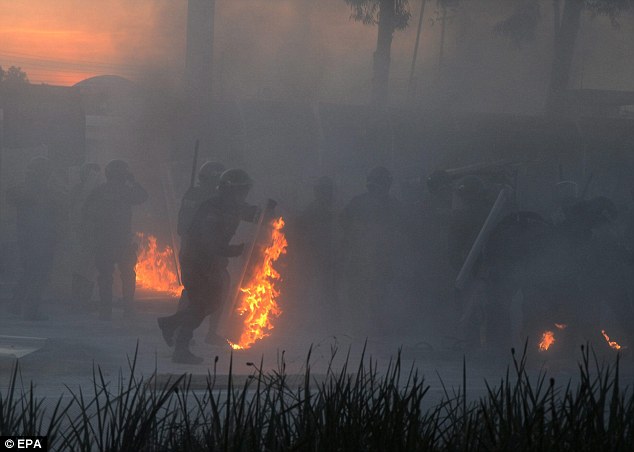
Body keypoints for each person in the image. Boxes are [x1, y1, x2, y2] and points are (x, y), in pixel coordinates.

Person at [158, 168, 259, 364]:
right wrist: (234, 250)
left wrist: (272, 214)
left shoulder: (233, 206)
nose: (244, 195)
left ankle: (170, 323)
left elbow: (254, 214)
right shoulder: (212, 208)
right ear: (230, 190)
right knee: (200, 304)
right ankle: (180, 348)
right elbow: (208, 241)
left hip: (211, 262)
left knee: (211, 303)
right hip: (196, 260)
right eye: (241, 191)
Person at [339, 166, 405, 335]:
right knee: (362, 296)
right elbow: (344, 227)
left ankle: (372, 330)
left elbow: (401, 234)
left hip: (380, 260)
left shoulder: (392, 206)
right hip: (362, 259)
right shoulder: (359, 203)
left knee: (377, 297)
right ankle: (364, 330)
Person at [82, 159, 148, 320]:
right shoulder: (125, 191)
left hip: (103, 241)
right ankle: (128, 309)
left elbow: (86, 211)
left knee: (105, 277)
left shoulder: (99, 191)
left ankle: (105, 311)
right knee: (127, 275)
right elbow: (143, 196)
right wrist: (133, 181)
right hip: (122, 241)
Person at [6, 156, 66, 320]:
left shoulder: (32, 190)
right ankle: (30, 310)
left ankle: (16, 304)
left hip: (36, 237)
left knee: (30, 273)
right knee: (38, 274)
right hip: (36, 238)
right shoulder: (30, 191)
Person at [69, 163, 101, 309]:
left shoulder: (95, 191)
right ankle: (78, 301)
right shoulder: (84, 192)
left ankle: (80, 301)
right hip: (84, 235)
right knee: (84, 268)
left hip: (89, 235)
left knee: (87, 268)